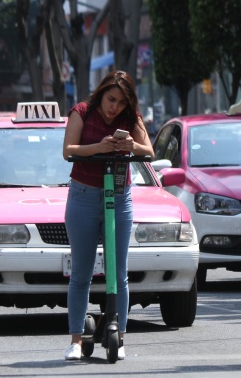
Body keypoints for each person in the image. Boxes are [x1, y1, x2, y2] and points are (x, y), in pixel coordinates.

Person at [61, 70, 154, 361]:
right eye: (111, 99)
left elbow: (148, 150)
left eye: (121, 102)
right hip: (83, 196)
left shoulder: (131, 118)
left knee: (119, 273)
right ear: (101, 93)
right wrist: (99, 148)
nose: (115, 107)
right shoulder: (82, 112)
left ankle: (120, 336)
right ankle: (76, 340)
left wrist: (131, 146)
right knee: (82, 273)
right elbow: (69, 150)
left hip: (119, 196)